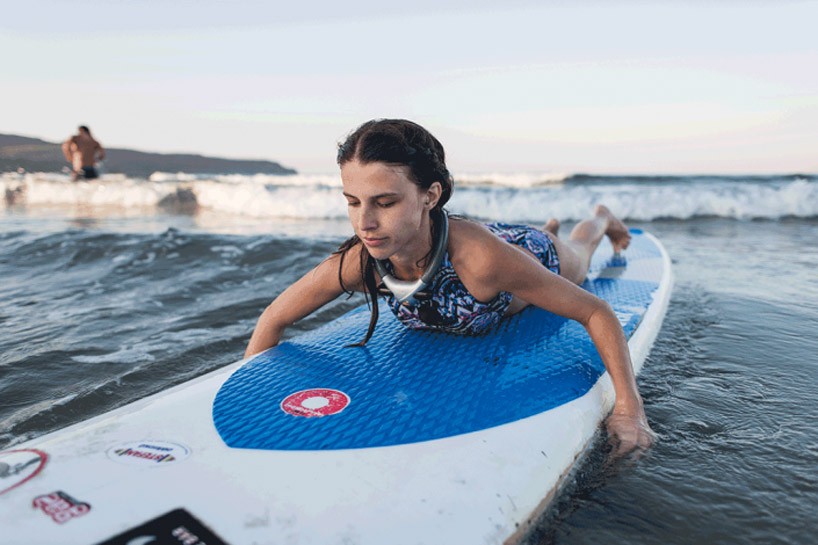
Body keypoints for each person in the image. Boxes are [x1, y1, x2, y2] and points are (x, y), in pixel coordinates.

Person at [245, 119, 655, 454]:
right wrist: (251, 394)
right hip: (477, 241)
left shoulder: (482, 262)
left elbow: (594, 311)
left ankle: (602, 219)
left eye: (385, 203)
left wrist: (628, 408)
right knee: (510, 253)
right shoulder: (361, 261)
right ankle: (547, 227)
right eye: (353, 202)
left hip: (527, 254)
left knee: (579, 255)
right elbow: (274, 318)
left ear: (430, 195)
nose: (364, 223)